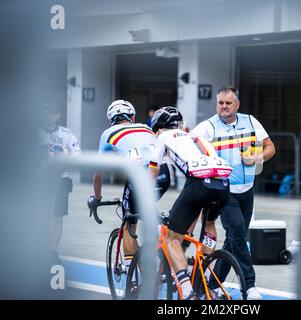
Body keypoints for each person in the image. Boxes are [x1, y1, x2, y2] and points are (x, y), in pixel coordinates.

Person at [191, 86, 276, 300]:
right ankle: (249, 285)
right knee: (238, 233)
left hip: (247, 191)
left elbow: (270, 147)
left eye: (228, 103)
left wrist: (258, 159)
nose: (223, 107)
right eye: (220, 103)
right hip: (223, 191)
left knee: (234, 238)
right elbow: (188, 144)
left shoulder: (251, 121)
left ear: (237, 104)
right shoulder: (208, 126)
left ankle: (213, 283)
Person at [148, 106, 232, 300]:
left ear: (159, 128)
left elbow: (152, 173)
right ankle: (205, 266)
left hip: (198, 183)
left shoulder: (163, 137)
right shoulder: (195, 137)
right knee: (209, 222)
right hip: (223, 183)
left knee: (171, 239)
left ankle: (187, 291)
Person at [88, 99, 170, 274]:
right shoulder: (147, 128)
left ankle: (132, 281)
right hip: (163, 175)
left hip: (140, 176)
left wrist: (97, 198)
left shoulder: (108, 133)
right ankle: (162, 243)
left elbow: (97, 174)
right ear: (132, 116)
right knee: (147, 208)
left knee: (128, 225)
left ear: (111, 119)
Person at [40, 103, 81, 265]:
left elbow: (78, 154)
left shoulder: (66, 134)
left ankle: (52, 252)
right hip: (39, 180)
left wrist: (64, 159)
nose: (49, 116)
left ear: (58, 115)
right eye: (46, 113)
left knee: (57, 217)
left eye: (52, 113)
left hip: (61, 180)